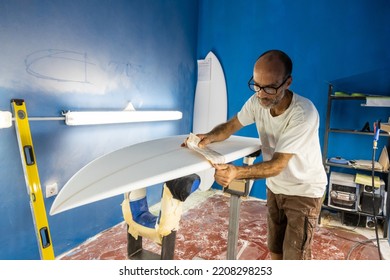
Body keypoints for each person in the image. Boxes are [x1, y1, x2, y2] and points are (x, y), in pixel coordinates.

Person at [184, 50, 327, 260]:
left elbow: (278, 164)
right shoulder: (256, 101)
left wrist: (236, 173)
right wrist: (207, 138)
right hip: (275, 187)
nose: (260, 94)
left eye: (269, 88)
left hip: (304, 191)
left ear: (288, 82)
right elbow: (232, 125)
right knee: (275, 249)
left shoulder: (303, 113)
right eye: (257, 85)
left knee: (295, 257)